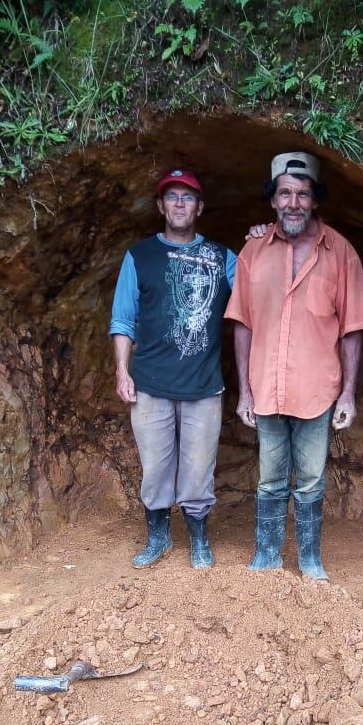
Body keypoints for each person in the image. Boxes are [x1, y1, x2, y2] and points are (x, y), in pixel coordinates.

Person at [225, 151, 363, 581]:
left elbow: (352, 328)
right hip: (267, 389)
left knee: (310, 479)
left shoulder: (341, 253)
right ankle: (266, 555)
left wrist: (348, 392)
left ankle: (309, 559)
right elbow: (242, 325)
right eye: (285, 193)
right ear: (272, 200)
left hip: (317, 390)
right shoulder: (253, 252)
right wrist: (245, 392)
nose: (293, 202)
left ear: (314, 200)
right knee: (270, 479)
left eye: (302, 194)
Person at [109, 169, 237, 570]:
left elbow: (254, 295)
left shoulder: (222, 257)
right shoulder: (139, 256)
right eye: (172, 197)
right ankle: (159, 539)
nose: (180, 203)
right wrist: (122, 371)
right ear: (161, 206)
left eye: (188, 197)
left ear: (200, 207)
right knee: (156, 467)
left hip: (203, 384)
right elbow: (123, 320)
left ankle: (199, 541)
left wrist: (262, 239)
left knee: (199, 468)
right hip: (150, 383)